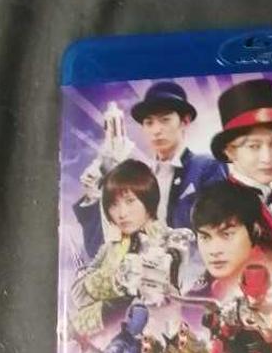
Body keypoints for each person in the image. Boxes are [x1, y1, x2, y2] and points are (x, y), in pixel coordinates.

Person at [74, 81, 224, 259]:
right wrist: (93, 194)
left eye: (165, 120)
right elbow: (99, 248)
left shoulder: (207, 167)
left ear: (185, 121)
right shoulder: (140, 178)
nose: (156, 130)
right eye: (149, 122)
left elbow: (219, 227)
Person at [70, 159, 191, 337]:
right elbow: (78, 295)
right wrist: (117, 281)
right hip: (101, 337)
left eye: (130, 201)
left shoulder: (170, 243)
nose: (122, 213)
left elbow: (162, 300)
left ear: (148, 200)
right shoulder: (113, 246)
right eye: (114, 204)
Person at [210, 78, 272, 265]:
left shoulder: (266, 195)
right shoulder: (228, 210)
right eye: (254, 146)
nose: (267, 158)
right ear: (230, 151)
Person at [187, 179, 266, 298]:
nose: (214, 251)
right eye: (205, 237)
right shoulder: (198, 292)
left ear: (255, 232)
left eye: (226, 235)